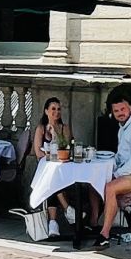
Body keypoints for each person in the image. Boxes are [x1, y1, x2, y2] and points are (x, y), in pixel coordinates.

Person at [90, 94, 131, 250]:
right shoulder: (124, 128)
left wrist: (117, 174)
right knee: (93, 181)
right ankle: (92, 223)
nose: (120, 113)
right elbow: (122, 155)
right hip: (129, 172)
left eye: (123, 109)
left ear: (130, 108)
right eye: (116, 110)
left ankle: (104, 235)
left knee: (110, 188)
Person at [32, 98, 73, 238]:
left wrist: (55, 134)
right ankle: (67, 210)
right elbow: (38, 153)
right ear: (46, 111)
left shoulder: (64, 128)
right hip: (45, 169)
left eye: (58, 109)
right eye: (53, 109)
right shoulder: (41, 129)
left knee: (53, 181)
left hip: (63, 169)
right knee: (51, 179)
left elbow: (66, 148)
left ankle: (53, 224)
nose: (56, 112)